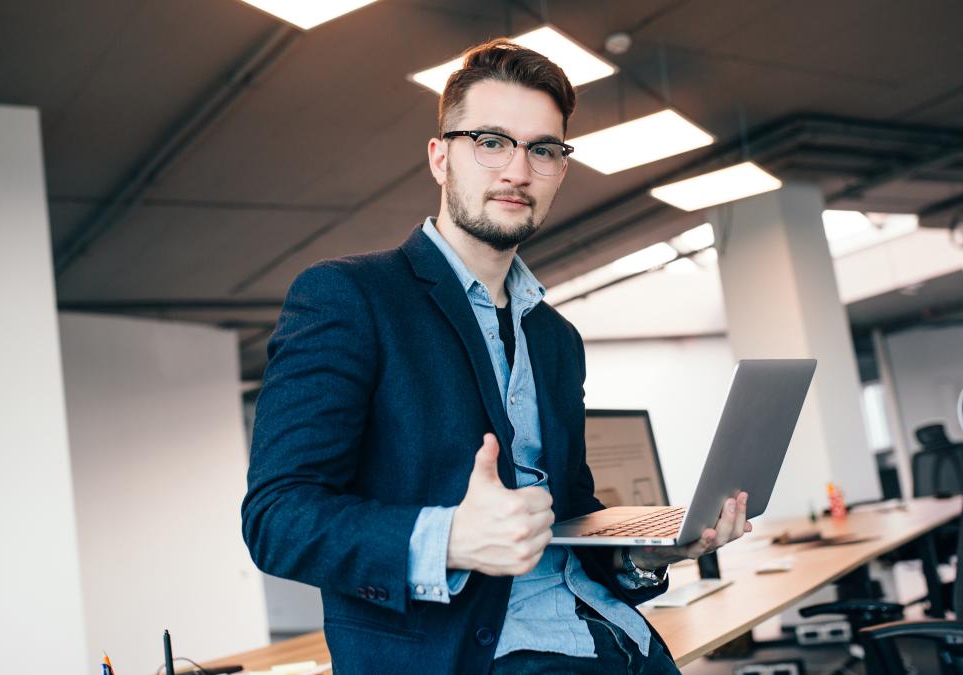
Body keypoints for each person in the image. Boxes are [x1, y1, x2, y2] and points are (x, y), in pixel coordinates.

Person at [242, 39, 752, 675]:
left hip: (619, 641)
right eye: (491, 141)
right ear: (440, 158)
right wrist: (450, 537)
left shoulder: (555, 338)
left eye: (542, 149)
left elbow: (569, 514)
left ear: (561, 170)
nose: (517, 170)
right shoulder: (350, 296)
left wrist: (643, 554)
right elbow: (277, 518)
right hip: (474, 655)